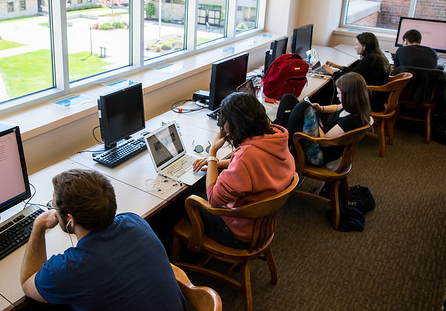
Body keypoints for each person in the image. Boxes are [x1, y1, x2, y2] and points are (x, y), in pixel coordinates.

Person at [20, 168, 185, 310]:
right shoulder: (135, 221)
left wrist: (38, 226)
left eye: (54, 206)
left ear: (71, 219)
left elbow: (28, 283)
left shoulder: (70, 268)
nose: (54, 211)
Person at [191, 92, 295, 249]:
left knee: (187, 197)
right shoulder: (276, 136)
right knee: (202, 178)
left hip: (239, 233)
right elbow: (256, 165)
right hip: (261, 222)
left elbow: (213, 199)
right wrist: (216, 165)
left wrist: (212, 153)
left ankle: (185, 254)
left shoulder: (245, 158)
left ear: (235, 125)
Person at [275, 72, 372, 165]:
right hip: (317, 140)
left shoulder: (352, 121)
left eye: (339, 93)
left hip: (317, 154)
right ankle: (280, 142)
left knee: (303, 106)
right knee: (289, 98)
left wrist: (313, 120)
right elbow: (337, 107)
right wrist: (321, 108)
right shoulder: (353, 106)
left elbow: (324, 142)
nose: (337, 96)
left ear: (349, 96)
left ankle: (281, 146)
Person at [322, 32, 390, 110]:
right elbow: (357, 71)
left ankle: (329, 113)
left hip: (371, 101)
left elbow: (349, 78)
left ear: (364, 46)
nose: (355, 47)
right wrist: (339, 67)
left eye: (357, 45)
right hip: (378, 97)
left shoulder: (369, 59)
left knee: (330, 86)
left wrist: (332, 72)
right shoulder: (377, 56)